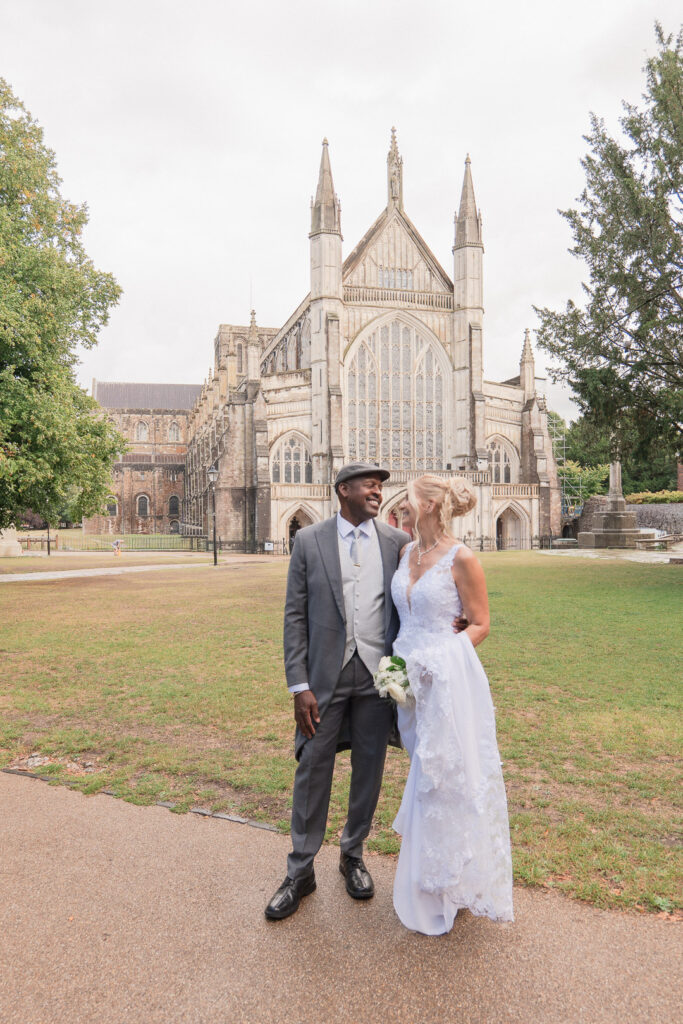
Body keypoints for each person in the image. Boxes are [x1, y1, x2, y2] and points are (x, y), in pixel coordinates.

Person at [265, 462, 409, 920]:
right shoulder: (309, 540)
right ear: (342, 490)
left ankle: (353, 854)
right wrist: (299, 684)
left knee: (370, 767)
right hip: (322, 681)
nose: (378, 490)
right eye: (370, 483)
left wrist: (456, 622)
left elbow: (415, 604)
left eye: (381, 485)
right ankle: (300, 869)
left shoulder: (397, 544)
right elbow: (294, 616)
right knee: (312, 768)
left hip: (376, 678)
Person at [390, 474, 514, 935]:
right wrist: (401, 671)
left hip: (445, 680)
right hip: (405, 683)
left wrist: (438, 663)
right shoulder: (406, 553)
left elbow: (480, 624)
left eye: (407, 500)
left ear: (427, 505)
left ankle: (443, 883)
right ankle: (432, 871)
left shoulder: (462, 558)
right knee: (423, 778)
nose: (400, 506)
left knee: (443, 778)